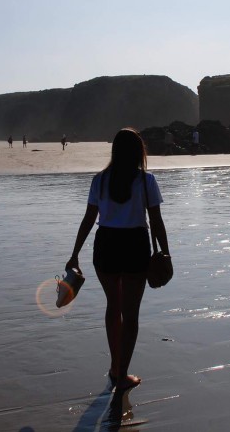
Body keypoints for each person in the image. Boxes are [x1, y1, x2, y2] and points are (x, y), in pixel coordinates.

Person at [65, 128, 171, 393]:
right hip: (135, 245)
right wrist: (166, 253)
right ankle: (122, 374)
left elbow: (89, 219)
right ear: (139, 152)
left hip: (106, 246)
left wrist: (75, 253)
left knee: (113, 306)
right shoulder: (146, 181)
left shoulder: (100, 180)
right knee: (130, 314)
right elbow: (156, 222)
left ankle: (115, 368)